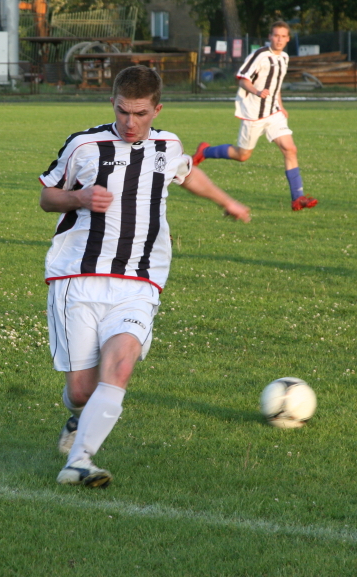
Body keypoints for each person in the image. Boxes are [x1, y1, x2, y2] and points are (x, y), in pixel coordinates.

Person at [39, 66, 250, 488]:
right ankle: (78, 417)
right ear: (112, 103)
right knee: (81, 392)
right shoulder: (84, 145)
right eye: (122, 111)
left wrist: (226, 201)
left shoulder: (167, 146)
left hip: (139, 281)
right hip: (78, 277)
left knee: (119, 367)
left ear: (157, 110)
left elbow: (187, 173)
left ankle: (79, 461)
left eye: (140, 114)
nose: (130, 122)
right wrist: (79, 197)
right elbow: (48, 196)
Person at [192, 21, 318, 212]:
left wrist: (281, 106)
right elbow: (243, 79)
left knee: (290, 149)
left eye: (283, 36)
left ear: (288, 39)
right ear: (270, 37)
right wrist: (257, 92)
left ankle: (298, 198)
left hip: (273, 112)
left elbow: (275, 85)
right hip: (254, 114)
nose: (279, 39)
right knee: (242, 155)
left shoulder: (284, 57)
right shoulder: (260, 55)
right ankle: (205, 151)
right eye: (276, 35)